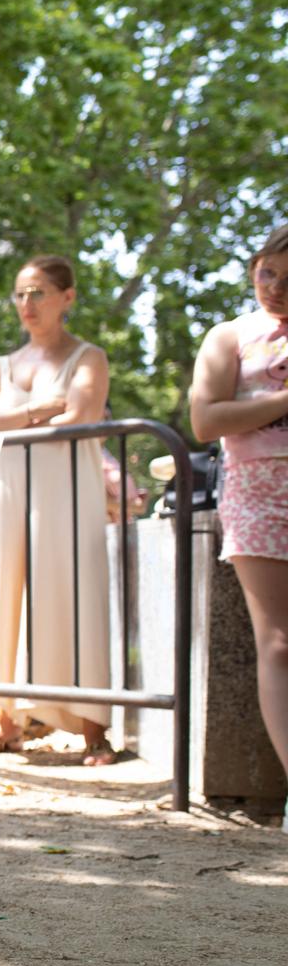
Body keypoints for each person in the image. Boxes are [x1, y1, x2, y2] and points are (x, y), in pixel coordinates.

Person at [0, 255, 116, 765]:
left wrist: (4, 420)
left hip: (66, 493)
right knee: (7, 600)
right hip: (9, 493)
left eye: (39, 292)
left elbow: (81, 417)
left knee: (74, 597)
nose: (28, 303)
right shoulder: (1, 366)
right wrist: (36, 411)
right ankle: (7, 724)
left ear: (67, 297)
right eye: (21, 294)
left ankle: (95, 731)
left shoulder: (88, 357)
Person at [188, 223, 288, 806]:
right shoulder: (230, 337)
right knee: (277, 642)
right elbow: (206, 420)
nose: (273, 287)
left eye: (287, 277)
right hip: (257, 490)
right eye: (266, 271)